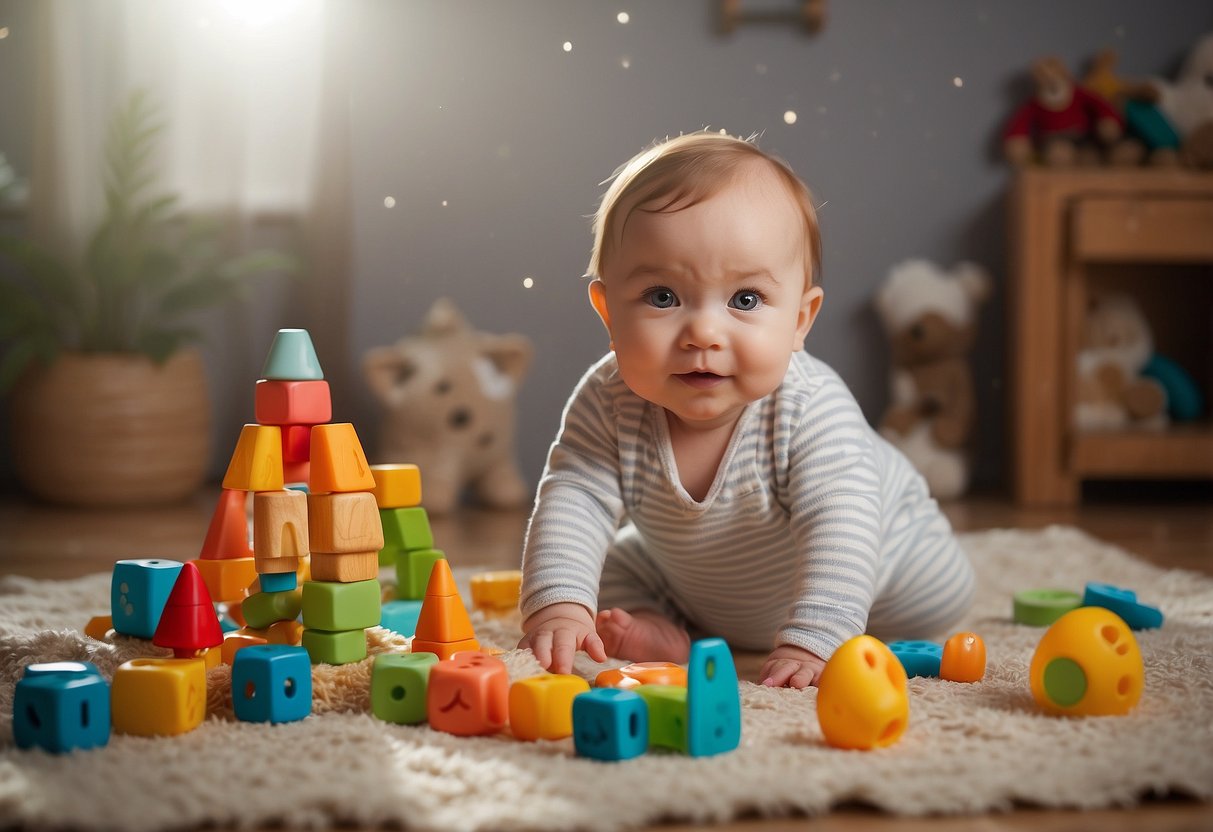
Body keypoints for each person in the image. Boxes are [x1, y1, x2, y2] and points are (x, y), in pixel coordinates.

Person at [518, 132, 975, 688]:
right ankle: (669, 631)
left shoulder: (807, 407)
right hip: (708, 582)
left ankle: (829, 622)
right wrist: (558, 605)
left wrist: (821, 635)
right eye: (663, 297)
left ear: (800, 321)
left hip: (886, 569)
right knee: (604, 566)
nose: (704, 333)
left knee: (934, 598)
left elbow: (843, 521)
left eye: (745, 300)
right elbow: (574, 497)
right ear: (608, 311)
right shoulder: (607, 401)